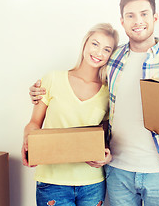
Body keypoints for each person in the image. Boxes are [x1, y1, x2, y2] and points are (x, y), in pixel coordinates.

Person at [29, 0, 159, 206]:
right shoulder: (111, 58)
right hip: (118, 172)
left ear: (155, 18)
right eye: (130, 15)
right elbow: (87, 93)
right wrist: (39, 90)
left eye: (144, 14)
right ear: (122, 21)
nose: (137, 21)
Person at [22, 23, 119, 206]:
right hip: (53, 182)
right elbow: (34, 123)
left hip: (92, 183)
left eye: (107, 49)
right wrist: (27, 139)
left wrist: (106, 156)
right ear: (85, 44)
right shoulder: (52, 79)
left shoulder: (108, 92)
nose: (99, 53)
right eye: (95, 44)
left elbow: (104, 139)